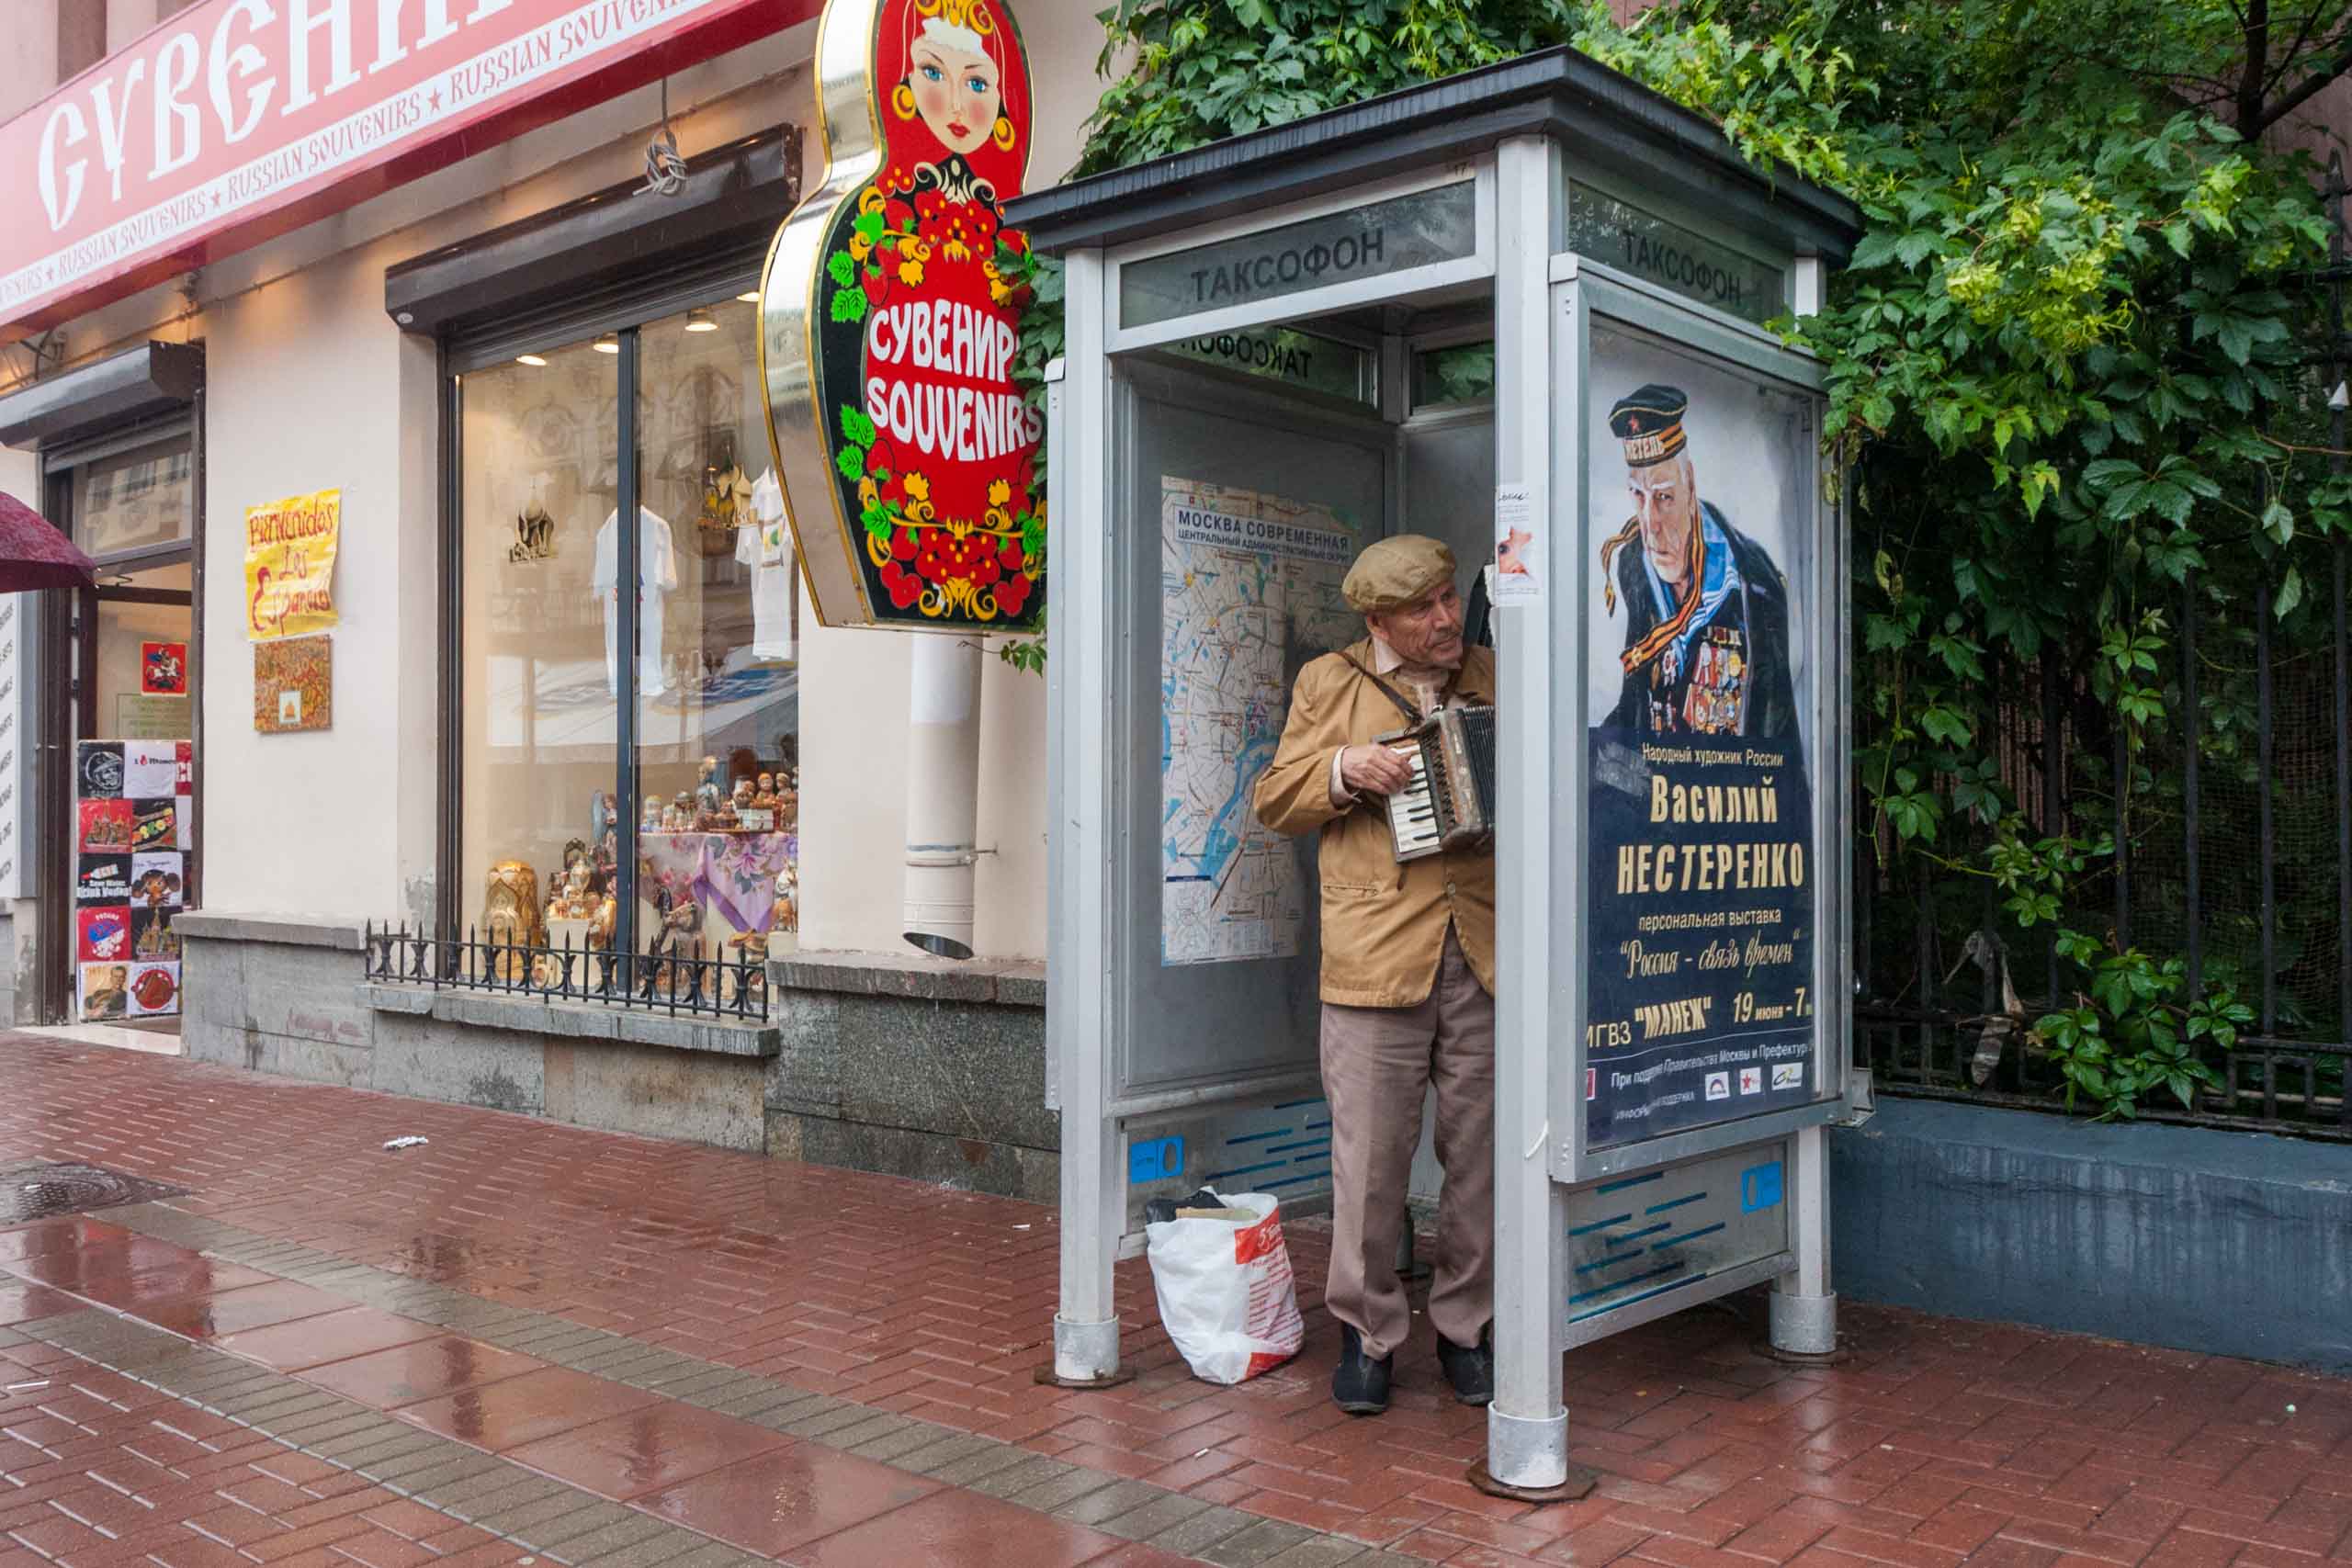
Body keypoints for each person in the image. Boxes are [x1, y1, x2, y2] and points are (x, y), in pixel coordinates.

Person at [1253, 535, 1497, 1416]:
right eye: (1423, 607)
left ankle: (1468, 1327)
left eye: (1448, 598)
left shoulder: (1492, 676)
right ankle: (1368, 1334)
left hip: (1483, 950)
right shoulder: (1331, 683)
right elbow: (1274, 797)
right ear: (1378, 621)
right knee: (1370, 1164)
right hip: (1375, 957)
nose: (1446, 618)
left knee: (1481, 1157)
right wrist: (1343, 769)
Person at [1598, 384, 1799, 737]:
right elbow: (1637, 705)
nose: (1650, 525)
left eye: (1664, 497)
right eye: (1638, 495)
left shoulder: (1752, 584)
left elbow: (1776, 737)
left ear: (1690, 485)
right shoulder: (1633, 562)